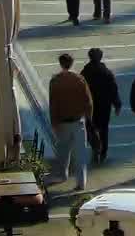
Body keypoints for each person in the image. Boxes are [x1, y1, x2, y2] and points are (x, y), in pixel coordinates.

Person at [46, 52, 93, 190]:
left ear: (60, 64)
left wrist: (54, 122)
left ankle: (62, 174)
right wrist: (89, 117)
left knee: (64, 151)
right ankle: (81, 182)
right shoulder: (79, 79)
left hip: (62, 122)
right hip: (78, 121)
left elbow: (53, 104)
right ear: (72, 63)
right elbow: (88, 101)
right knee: (80, 153)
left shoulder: (55, 81)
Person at [81, 48, 121, 165]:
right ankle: (103, 151)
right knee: (104, 129)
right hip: (104, 105)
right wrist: (117, 104)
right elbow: (113, 89)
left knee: (90, 127)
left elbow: (80, 90)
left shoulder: (84, 73)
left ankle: (95, 146)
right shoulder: (107, 73)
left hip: (89, 105)